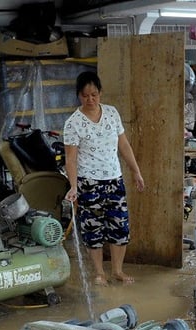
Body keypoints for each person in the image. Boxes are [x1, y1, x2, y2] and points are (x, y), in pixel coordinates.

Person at [63, 71, 145, 286]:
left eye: (94, 95)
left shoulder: (111, 113)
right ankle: (99, 273)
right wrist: (73, 186)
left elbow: (123, 145)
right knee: (93, 228)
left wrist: (135, 171)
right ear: (78, 96)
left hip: (114, 180)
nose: (90, 99)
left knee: (120, 227)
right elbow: (70, 159)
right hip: (88, 183)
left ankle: (118, 271)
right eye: (85, 95)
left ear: (100, 93)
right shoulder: (73, 123)